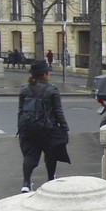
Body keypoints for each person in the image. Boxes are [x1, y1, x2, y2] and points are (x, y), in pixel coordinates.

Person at [17, 60, 70, 193]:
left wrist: (20, 129)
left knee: (30, 156)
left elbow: (20, 111)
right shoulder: (52, 90)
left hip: (28, 129)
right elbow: (58, 112)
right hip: (47, 129)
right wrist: (65, 128)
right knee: (51, 155)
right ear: (45, 74)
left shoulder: (24, 90)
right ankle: (50, 179)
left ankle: (26, 183)